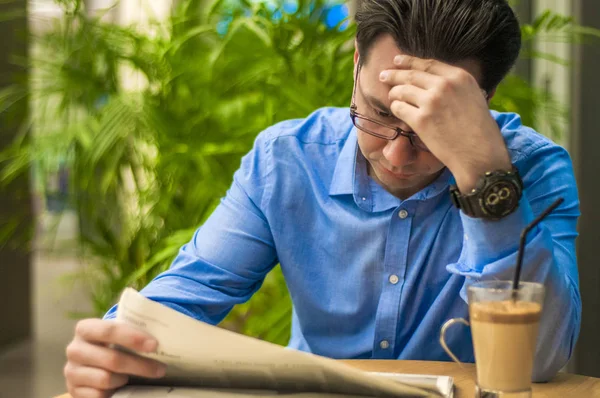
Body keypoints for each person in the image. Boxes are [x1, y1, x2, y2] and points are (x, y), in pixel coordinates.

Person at [63, 0, 581, 397]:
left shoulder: (532, 171)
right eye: (378, 114)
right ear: (356, 63)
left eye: (429, 127)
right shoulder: (287, 160)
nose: (397, 156)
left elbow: (537, 362)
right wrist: (112, 345)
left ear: (481, 101)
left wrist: (485, 178)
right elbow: (184, 300)